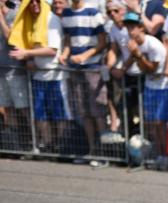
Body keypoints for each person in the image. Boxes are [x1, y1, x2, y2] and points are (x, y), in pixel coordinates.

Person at [9, 0, 66, 152]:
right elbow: (30, 45)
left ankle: (60, 145)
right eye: (30, 2)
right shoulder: (30, 20)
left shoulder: (51, 19)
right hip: (38, 76)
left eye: (37, 1)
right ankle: (47, 145)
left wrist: (27, 54)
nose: (34, 4)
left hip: (55, 76)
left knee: (58, 114)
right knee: (40, 113)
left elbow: (52, 50)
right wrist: (29, 59)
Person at [60, 0, 108, 158]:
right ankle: (92, 149)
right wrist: (65, 54)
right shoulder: (66, 14)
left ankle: (104, 151)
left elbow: (102, 42)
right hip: (75, 68)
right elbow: (68, 39)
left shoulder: (93, 12)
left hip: (93, 67)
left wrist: (84, 56)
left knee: (97, 111)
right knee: (84, 111)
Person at [123, 11, 168, 160]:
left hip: (163, 86)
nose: (130, 31)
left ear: (141, 28)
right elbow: (134, 65)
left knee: (160, 122)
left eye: (133, 27)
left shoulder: (153, 44)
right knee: (149, 122)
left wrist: (138, 55)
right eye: (128, 27)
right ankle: (156, 152)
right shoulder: (134, 45)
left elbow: (151, 69)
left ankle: (165, 153)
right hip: (150, 85)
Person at [106, 0, 139, 140]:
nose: (112, 14)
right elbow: (114, 50)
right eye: (109, 12)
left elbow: (135, 50)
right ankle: (128, 137)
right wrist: (109, 67)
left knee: (139, 107)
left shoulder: (130, 26)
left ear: (123, 11)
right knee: (127, 106)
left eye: (115, 11)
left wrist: (123, 69)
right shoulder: (113, 28)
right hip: (127, 71)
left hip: (138, 70)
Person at [0, 1, 30, 151]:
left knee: (23, 107)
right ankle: (14, 145)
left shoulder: (15, 14)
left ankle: (33, 141)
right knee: (8, 108)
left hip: (15, 70)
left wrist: (0, 18)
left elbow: (11, 38)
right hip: (1, 71)